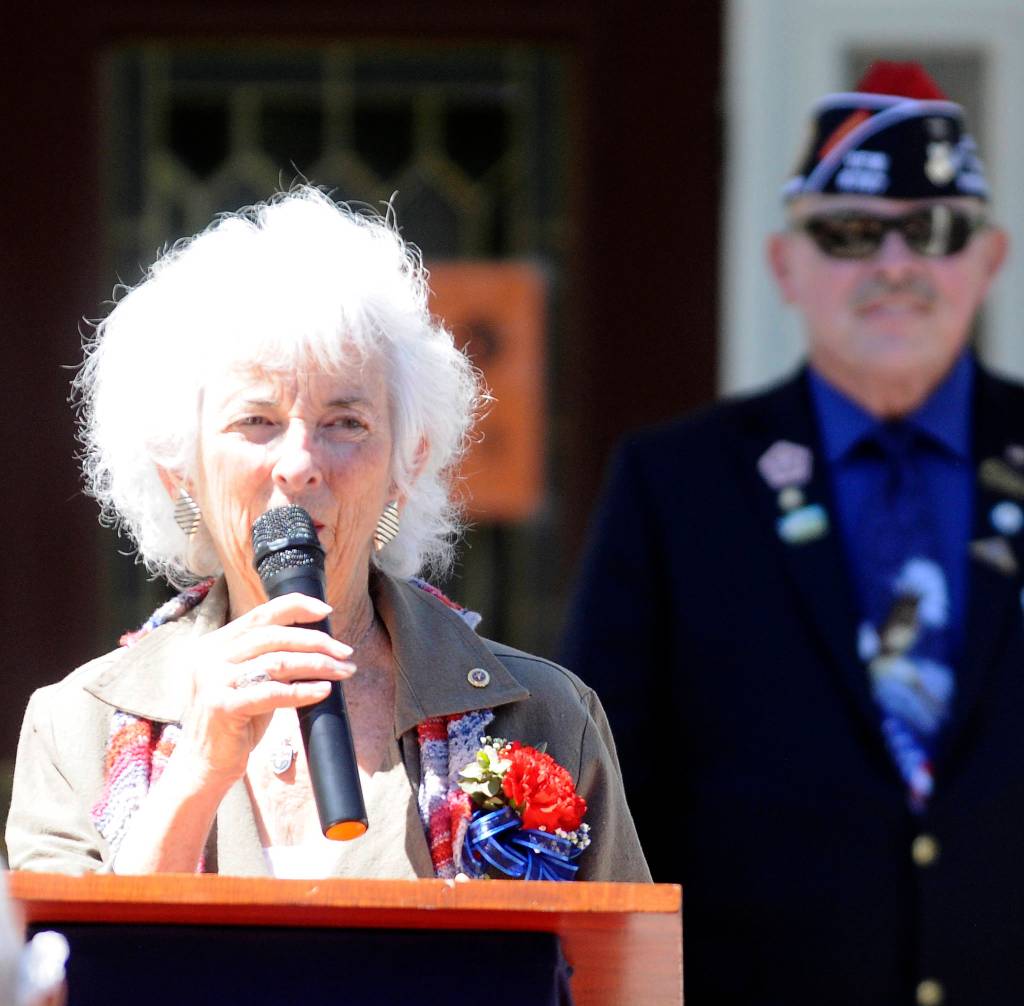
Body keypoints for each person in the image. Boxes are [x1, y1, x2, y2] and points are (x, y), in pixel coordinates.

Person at [7, 185, 649, 887]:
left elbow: (614, 981)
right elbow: (67, 982)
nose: (301, 465)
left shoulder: (542, 715)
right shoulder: (77, 727)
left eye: (346, 423)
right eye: (256, 422)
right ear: (179, 470)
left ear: (406, 464)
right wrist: (198, 772)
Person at [560, 62, 1022, 1004]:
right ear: (784, 263)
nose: (894, 264)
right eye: (850, 233)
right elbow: (603, 792)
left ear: (990, 258)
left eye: (933, 230)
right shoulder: (676, 486)